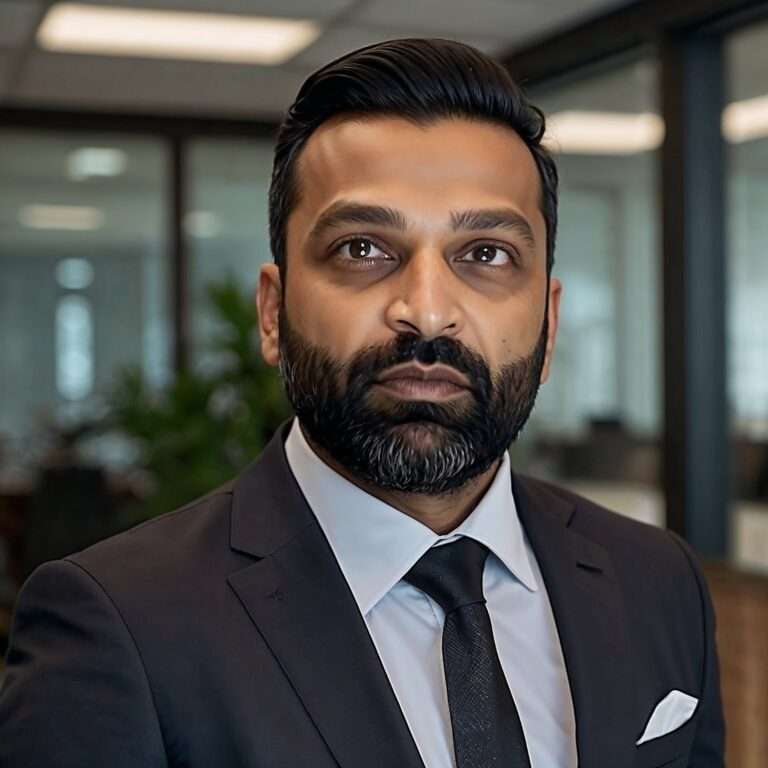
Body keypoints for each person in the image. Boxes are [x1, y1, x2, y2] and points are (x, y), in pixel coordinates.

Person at [0, 38, 724, 768]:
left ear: (549, 320)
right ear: (274, 314)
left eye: (486, 255)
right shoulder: (120, 624)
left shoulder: (657, 581)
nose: (428, 311)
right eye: (362, 249)